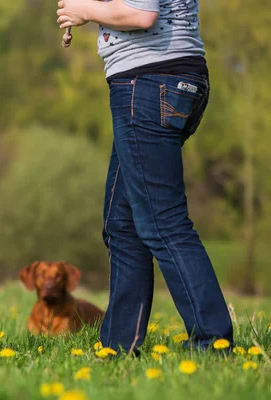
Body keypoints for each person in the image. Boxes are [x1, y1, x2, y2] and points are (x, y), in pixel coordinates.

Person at [56, 0, 233, 354]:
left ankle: (214, 342)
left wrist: (86, 10)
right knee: (122, 223)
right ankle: (119, 345)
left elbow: (141, 14)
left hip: (151, 83)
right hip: (165, 81)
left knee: (161, 221)